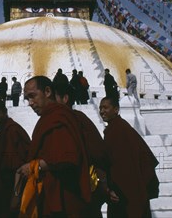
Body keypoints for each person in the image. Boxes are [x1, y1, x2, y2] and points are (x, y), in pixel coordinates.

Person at [17, 76, 92, 217]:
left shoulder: (58, 116)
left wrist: (34, 166)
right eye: (27, 99)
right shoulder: (50, 117)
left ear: (47, 91)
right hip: (50, 194)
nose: (30, 103)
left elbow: (67, 157)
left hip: (65, 197)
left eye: (32, 96)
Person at [53, 83, 109, 217]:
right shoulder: (54, 122)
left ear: (65, 99)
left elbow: (96, 151)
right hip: (63, 189)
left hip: (81, 186)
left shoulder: (76, 119)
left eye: (53, 99)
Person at [99, 97, 159, 218]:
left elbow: (120, 165)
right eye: (100, 108)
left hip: (125, 193)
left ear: (116, 109)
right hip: (129, 191)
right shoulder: (116, 129)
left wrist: (113, 187)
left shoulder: (119, 130)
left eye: (105, 107)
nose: (101, 111)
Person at [0, 99, 31, 218]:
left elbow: (19, 167)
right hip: (3, 188)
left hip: (12, 188)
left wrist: (16, 196)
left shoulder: (13, 130)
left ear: (5, 111)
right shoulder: (3, 132)